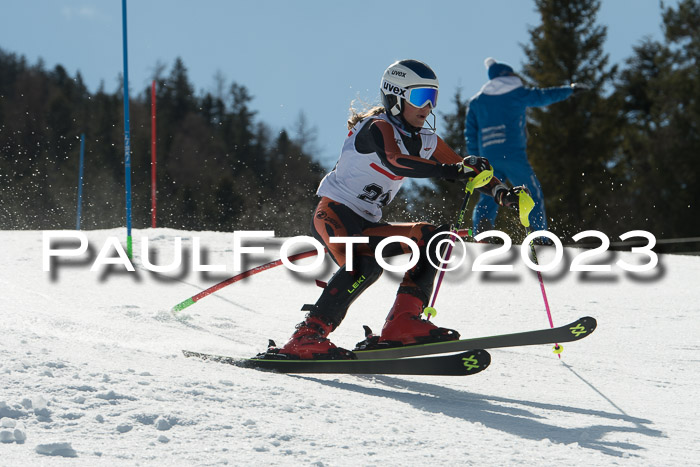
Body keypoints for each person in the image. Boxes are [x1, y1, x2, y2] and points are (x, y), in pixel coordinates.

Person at [267, 59, 526, 360]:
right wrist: (453, 171)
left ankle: (402, 324)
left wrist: (500, 192)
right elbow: (395, 160)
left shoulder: (426, 140)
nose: (427, 107)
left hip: (366, 225)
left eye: (432, 98)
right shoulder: (377, 127)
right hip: (335, 214)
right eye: (419, 98)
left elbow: (463, 167)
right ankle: (306, 336)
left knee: (434, 237)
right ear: (394, 96)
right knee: (363, 264)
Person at [465, 57, 588, 236]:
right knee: (530, 193)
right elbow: (543, 96)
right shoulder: (518, 93)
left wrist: (477, 162)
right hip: (514, 155)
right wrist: (569, 90)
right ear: (507, 74)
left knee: (488, 195)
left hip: (488, 157)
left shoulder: (477, 102)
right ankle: (538, 236)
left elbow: (470, 134)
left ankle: (482, 234)